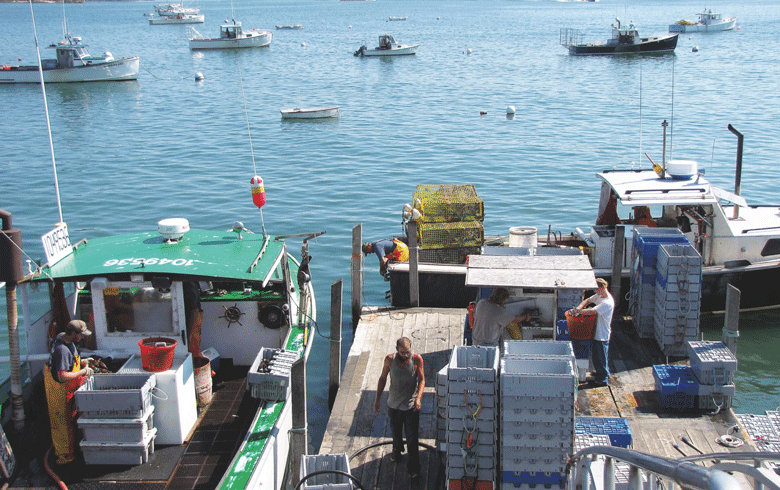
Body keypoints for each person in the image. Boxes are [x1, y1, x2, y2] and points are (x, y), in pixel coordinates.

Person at [44, 319, 94, 465]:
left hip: (67, 388)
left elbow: (70, 362)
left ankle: (71, 449)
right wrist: (84, 371)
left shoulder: (64, 338)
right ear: (72, 333)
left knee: (70, 420)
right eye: (81, 334)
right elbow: (62, 376)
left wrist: (83, 362)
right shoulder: (62, 350)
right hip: (58, 390)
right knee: (62, 424)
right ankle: (65, 457)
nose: (83, 337)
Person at [374, 337, 424, 479]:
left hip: (410, 407)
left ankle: (414, 467)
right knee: (395, 433)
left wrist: (418, 397)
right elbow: (382, 378)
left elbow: (422, 379)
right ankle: (397, 450)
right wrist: (377, 399)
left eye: (407, 352)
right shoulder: (389, 360)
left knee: (412, 438)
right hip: (393, 405)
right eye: (402, 353)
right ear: (397, 351)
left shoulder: (417, 360)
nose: (405, 355)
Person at [575, 278, 615, 387]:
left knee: (600, 357)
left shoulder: (607, 302)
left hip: (601, 335)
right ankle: (600, 373)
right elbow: (587, 300)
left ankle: (602, 379)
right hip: (596, 332)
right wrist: (579, 307)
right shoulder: (600, 296)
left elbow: (592, 311)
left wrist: (578, 311)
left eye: (596, 290)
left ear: (601, 288)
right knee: (597, 357)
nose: (595, 292)